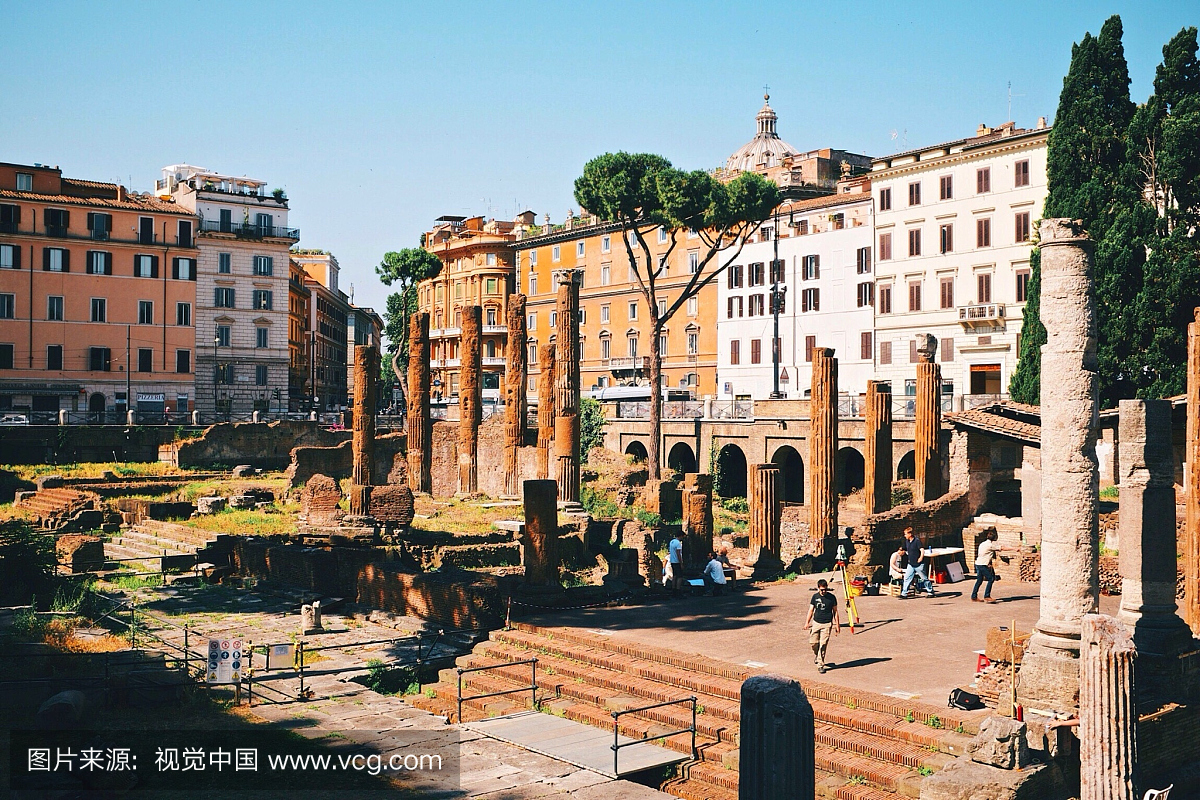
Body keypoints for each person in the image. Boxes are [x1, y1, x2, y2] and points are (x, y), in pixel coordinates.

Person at [803, 579, 840, 673]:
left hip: (827, 624)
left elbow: (835, 612)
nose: (823, 591)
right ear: (818, 588)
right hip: (816, 623)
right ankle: (817, 654)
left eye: (825, 589)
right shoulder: (815, 597)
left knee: (823, 644)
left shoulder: (832, 598)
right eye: (822, 589)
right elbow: (811, 610)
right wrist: (807, 622)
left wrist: (837, 625)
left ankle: (820, 664)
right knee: (813, 642)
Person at [971, 529, 1014, 603]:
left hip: (978, 563)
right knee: (991, 579)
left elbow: (985, 554)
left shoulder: (982, 544)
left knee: (979, 580)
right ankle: (987, 596)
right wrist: (1014, 549)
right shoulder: (990, 545)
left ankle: (974, 596)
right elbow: (1002, 548)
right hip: (983, 565)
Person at [901, 527, 936, 598]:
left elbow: (922, 550)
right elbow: (903, 548)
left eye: (905, 534)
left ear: (910, 534)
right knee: (907, 578)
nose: (905, 536)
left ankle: (930, 592)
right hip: (910, 564)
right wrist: (900, 551)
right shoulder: (907, 541)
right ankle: (904, 593)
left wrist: (921, 557)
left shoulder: (917, 541)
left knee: (924, 579)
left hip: (918, 564)